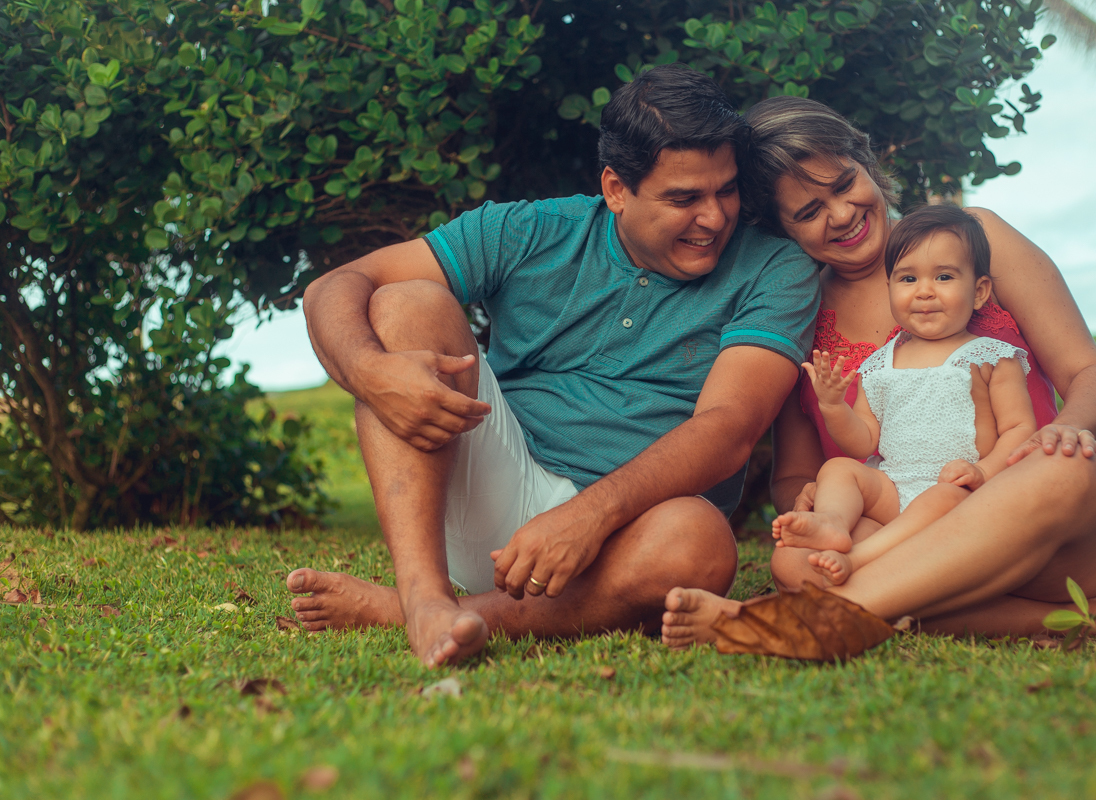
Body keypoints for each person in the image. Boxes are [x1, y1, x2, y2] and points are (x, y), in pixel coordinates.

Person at [286, 66, 820, 667]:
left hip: (629, 536)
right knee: (406, 302)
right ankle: (423, 591)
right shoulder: (532, 230)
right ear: (617, 189)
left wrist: (590, 515)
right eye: (683, 198)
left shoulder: (776, 269)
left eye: (726, 190)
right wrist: (368, 372)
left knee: (699, 543)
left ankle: (422, 612)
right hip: (492, 487)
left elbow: (729, 429)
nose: (715, 217)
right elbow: (334, 287)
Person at [661, 96, 1096, 648]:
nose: (842, 213)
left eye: (844, 183)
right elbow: (793, 475)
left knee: (1064, 466)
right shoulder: (797, 314)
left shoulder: (975, 239)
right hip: (904, 534)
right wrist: (807, 503)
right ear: (783, 231)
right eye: (808, 212)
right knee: (795, 563)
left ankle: (783, 622)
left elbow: (1091, 372)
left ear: (868, 166)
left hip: (1043, 529)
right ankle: (1084, 620)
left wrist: (1065, 430)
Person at [774, 204, 1036, 586]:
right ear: (890, 289)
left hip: (959, 495)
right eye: (908, 279)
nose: (924, 292)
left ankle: (861, 558)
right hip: (893, 490)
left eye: (944, 277)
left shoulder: (991, 356)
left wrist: (983, 472)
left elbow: (1019, 426)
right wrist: (833, 407)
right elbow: (864, 438)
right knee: (838, 470)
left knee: (944, 496)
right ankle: (832, 525)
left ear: (979, 292)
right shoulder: (881, 364)